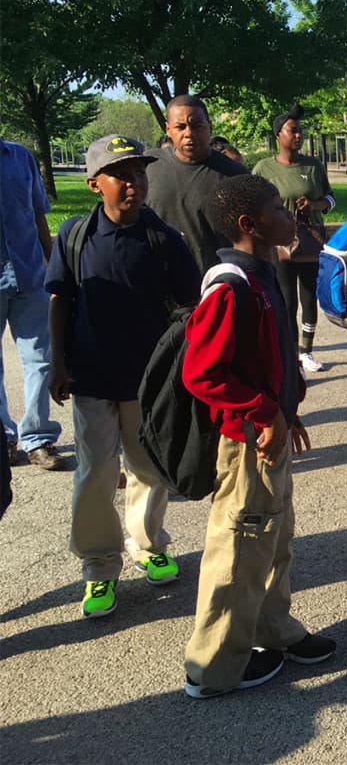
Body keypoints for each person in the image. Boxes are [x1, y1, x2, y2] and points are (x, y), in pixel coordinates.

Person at [182, 174, 335, 698]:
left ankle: (273, 629)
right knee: (239, 547)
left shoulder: (265, 272)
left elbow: (268, 352)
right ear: (250, 224)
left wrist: (287, 410)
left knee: (274, 538)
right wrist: (265, 411)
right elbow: (202, 373)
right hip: (247, 440)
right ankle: (215, 665)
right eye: (277, 207)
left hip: (271, 431)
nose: (289, 212)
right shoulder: (231, 287)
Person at [45, 135, 201, 617]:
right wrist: (58, 362)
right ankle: (98, 567)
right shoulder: (75, 237)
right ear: (95, 184)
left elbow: (189, 307)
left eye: (140, 173)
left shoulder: (163, 239)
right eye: (122, 174)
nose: (135, 182)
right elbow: (60, 301)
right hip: (91, 377)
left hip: (148, 380)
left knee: (149, 468)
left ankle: (149, 544)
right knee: (95, 473)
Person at [253, 105, 335, 373]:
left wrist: (315, 204)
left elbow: (331, 199)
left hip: (310, 240)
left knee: (310, 297)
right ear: (279, 134)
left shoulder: (313, 166)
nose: (298, 135)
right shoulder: (264, 168)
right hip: (280, 244)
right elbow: (253, 201)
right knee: (287, 300)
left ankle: (307, 351)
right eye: (293, 130)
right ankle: (288, 352)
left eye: (300, 130)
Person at [0, 138, 64, 470]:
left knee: (40, 359)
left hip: (29, 273)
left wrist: (53, 265)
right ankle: (4, 439)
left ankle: (37, 439)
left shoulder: (20, 156)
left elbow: (39, 212)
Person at [146, 94, 247, 278]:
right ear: (168, 129)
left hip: (216, 285)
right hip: (162, 283)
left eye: (197, 126)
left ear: (210, 126)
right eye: (180, 127)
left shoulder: (235, 174)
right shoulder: (149, 167)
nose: (189, 134)